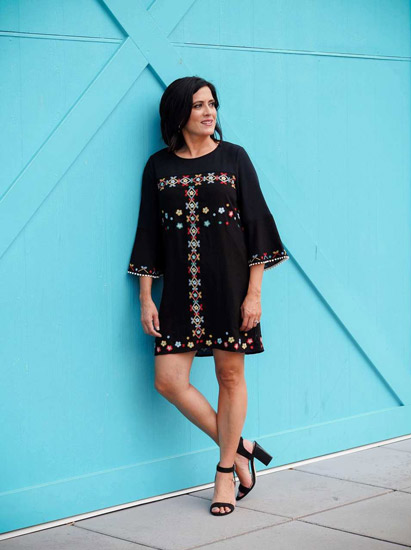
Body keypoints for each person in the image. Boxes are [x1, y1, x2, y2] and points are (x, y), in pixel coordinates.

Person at [127, 76, 289, 516]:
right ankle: (241, 448)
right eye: (198, 105)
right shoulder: (157, 166)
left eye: (212, 104)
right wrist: (146, 296)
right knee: (168, 381)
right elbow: (149, 233)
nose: (208, 112)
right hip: (180, 291)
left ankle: (223, 472)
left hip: (231, 288)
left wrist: (254, 294)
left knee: (230, 377)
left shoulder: (234, 157)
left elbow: (258, 226)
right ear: (178, 113)